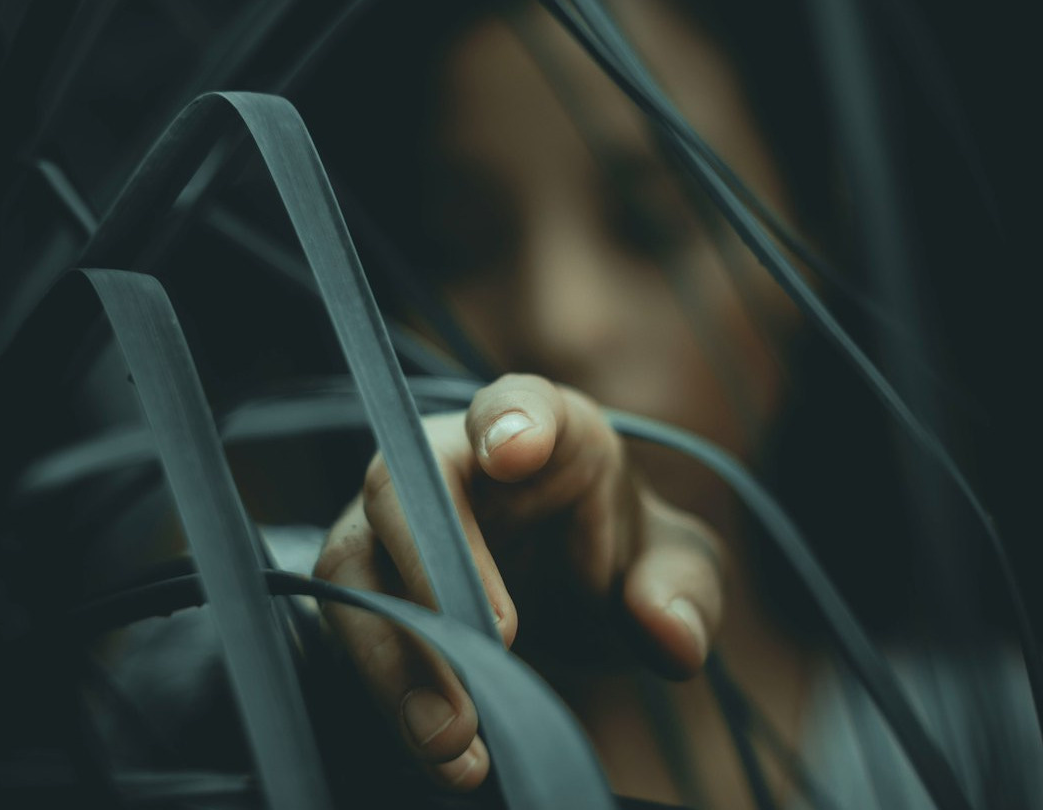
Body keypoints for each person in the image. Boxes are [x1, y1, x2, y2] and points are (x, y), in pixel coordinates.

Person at [306, 1, 1039, 807]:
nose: (559, 319)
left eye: (651, 226)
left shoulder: (998, 743)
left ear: (811, 238)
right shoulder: (316, 735)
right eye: (461, 240)